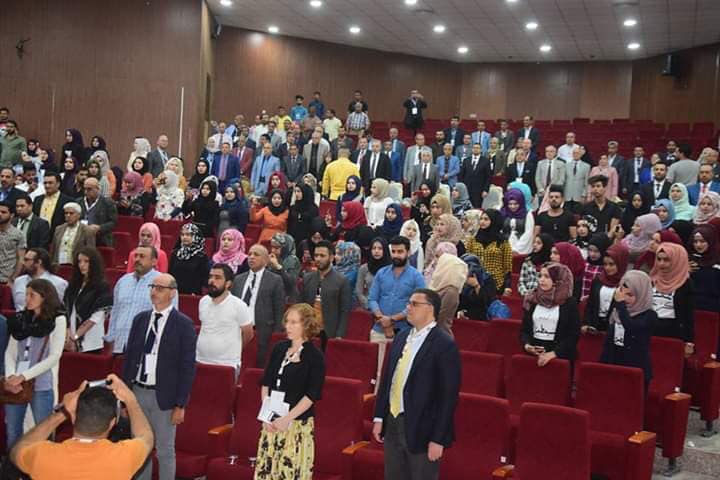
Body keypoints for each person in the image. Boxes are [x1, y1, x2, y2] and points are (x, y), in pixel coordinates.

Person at [372, 288, 461, 480]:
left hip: (423, 427)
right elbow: (388, 380)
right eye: (408, 303)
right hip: (393, 421)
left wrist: (438, 438)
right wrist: (379, 417)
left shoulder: (444, 344)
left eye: (414, 304)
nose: (408, 308)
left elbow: (448, 397)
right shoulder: (401, 337)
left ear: (430, 308)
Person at [122, 272, 197, 480]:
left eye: (160, 288)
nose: (154, 292)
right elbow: (129, 359)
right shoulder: (140, 319)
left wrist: (180, 404)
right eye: (152, 287)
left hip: (164, 396)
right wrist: (124, 398)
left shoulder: (183, 324)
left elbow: (187, 367)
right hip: (138, 391)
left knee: (165, 450)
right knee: (139, 448)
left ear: (172, 293)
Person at [10, 374, 154, 480]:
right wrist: (130, 399)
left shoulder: (43, 456)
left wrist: (62, 413)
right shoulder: (123, 457)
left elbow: (17, 450)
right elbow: (146, 438)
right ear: (112, 423)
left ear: (73, 417)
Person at [255, 303, 325, 479]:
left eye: (294, 322)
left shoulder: (315, 357)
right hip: (272, 421)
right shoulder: (279, 348)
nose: (288, 326)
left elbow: (311, 396)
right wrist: (267, 415)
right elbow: (266, 383)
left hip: (296, 425)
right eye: (287, 321)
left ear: (306, 325)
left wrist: (287, 419)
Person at [4, 279, 67, 448]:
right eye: (26, 294)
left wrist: (24, 376)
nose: (27, 299)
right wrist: (11, 376)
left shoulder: (58, 320)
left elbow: (54, 356)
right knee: (13, 431)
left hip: (41, 384)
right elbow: (10, 352)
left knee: (43, 432)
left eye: (32, 295)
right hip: (15, 384)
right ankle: (13, 464)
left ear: (44, 297)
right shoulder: (20, 319)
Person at [368, 235, 426, 369]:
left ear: (408, 252)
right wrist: (382, 319)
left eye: (400, 252)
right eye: (393, 251)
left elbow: (418, 304)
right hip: (379, 330)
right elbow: (372, 299)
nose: (396, 255)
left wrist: (392, 319)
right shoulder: (382, 273)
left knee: (398, 371)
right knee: (377, 371)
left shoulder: (417, 277)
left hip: (404, 332)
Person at [107, 246, 174, 354]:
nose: (137, 259)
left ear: (154, 261)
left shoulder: (163, 284)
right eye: (136, 256)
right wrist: (111, 339)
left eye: (142, 256)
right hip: (120, 345)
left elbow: (170, 318)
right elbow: (115, 312)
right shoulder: (123, 282)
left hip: (147, 348)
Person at [231, 245, 285, 367]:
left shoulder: (275, 280)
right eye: (250, 254)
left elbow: (279, 309)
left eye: (256, 254)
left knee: (259, 366)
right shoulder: (238, 279)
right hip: (237, 331)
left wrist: (276, 334)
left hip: (262, 332)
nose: (251, 257)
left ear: (266, 260)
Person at [520, 263, 580, 366]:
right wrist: (527, 345)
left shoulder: (569, 303)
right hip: (533, 356)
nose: (541, 280)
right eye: (540, 276)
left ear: (558, 280)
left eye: (547, 277)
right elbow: (524, 330)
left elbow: (573, 334)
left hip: (560, 358)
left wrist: (553, 354)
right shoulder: (532, 299)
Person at [196, 264, 253, 370]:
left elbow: (248, 334)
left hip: (227, 364)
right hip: (200, 360)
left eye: (217, 278)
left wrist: (234, 348)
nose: (212, 281)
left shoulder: (238, 305)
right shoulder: (203, 301)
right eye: (210, 277)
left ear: (228, 284)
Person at [62, 247, 112, 353]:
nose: (82, 265)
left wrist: (75, 337)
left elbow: (96, 317)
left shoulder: (102, 286)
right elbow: (65, 309)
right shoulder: (73, 285)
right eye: (79, 261)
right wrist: (68, 334)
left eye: (86, 261)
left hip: (91, 341)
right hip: (69, 338)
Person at [301, 240, 352, 340]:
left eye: (322, 256)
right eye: (316, 255)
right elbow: (301, 305)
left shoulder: (342, 281)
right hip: (308, 331)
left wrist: (339, 334)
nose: (318, 259)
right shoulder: (307, 278)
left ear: (331, 258)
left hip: (329, 333)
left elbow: (344, 311)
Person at [650, 242, 695, 355]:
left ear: (676, 261)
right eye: (659, 259)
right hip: (649, 330)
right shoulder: (652, 280)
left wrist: (689, 342)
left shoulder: (685, 284)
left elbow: (688, 315)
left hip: (673, 333)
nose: (661, 263)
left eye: (666, 260)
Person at [583, 243, 630, 332]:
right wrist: (586, 323)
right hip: (594, 326)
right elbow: (590, 304)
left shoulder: (628, 283)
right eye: (605, 264)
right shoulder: (598, 279)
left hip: (615, 328)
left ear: (621, 263)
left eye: (611, 264)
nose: (607, 268)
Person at [464, 209, 512, 294]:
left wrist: (507, 285)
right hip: (476, 280)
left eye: (486, 219)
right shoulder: (473, 239)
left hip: (496, 282)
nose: (482, 222)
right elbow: (468, 259)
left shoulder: (502, 241)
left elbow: (507, 266)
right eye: (481, 219)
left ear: (494, 221)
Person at [429, 254, 468, 336]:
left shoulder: (451, 292)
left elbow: (441, 316)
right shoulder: (441, 286)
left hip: (440, 335)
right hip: (433, 331)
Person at [169, 223, 210, 295]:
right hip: (175, 293)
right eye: (182, 234)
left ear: (195, 236)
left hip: (193, 294)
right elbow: (170, 274)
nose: (184, 237)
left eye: (188, 235)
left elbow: (204, 279)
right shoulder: (175, 253)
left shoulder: (201, 256)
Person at [689, 224, 720, 312]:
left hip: (714, 308)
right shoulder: (689, 260)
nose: (698, 245)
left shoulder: (717, 260)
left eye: (702, 241)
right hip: (692, 306)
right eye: (695, 241)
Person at [79, 177, 118, 247]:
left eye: (89, 189)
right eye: (84, 189)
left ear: (98, 189)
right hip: (81, 235)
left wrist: (99, 227)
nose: (86, 192)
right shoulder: (79, 202)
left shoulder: (108, 203)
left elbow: (113, 223)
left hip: (101, 237)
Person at [457, 254, 497, 321]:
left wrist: (476, 286)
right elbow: (459, 301)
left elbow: (486, 302)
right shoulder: (461, 278)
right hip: (463, 311)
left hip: (482, 313)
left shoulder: (487, 279)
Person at [356, 238, 390, 309]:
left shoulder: (391, 269)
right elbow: (359, 292)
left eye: (380, 248)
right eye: (374, 248)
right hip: (369, 307)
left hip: (388, 308)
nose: (376, 251)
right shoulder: (364, 268)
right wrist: (370, 306)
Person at [501, 188, 535, 255]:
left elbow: (528, 233)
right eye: (510, 204)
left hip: (522, 249)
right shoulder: (503, 213)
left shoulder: (527, 214)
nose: (512, 206)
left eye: (516, 204)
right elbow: (500, 231)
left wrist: (516, 249)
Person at [269, 233, 301, 302]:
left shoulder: (293, 260)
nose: (272, 250)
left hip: (288, 298)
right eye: (272, 247)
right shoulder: (273, 258)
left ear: (285, 248)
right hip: (273, 295)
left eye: (276, 248)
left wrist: (278, 267)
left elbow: (291, 282)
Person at [459, 143, 492, 208]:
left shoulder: (486, 161)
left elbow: (488, 177)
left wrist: (485, 190)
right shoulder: (466, 160)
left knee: (476, 208)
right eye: (474, 148)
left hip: (479, 190)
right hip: (467, 189)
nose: (475, 149)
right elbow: (461, 175)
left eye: (477, 148)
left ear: (481, 150)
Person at [334, 240, 361, 306]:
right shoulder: (334, 268)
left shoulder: (354, 272)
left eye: (339, 254)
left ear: (349, 255)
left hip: (348, 306)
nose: (335, 256)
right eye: (335, 253)